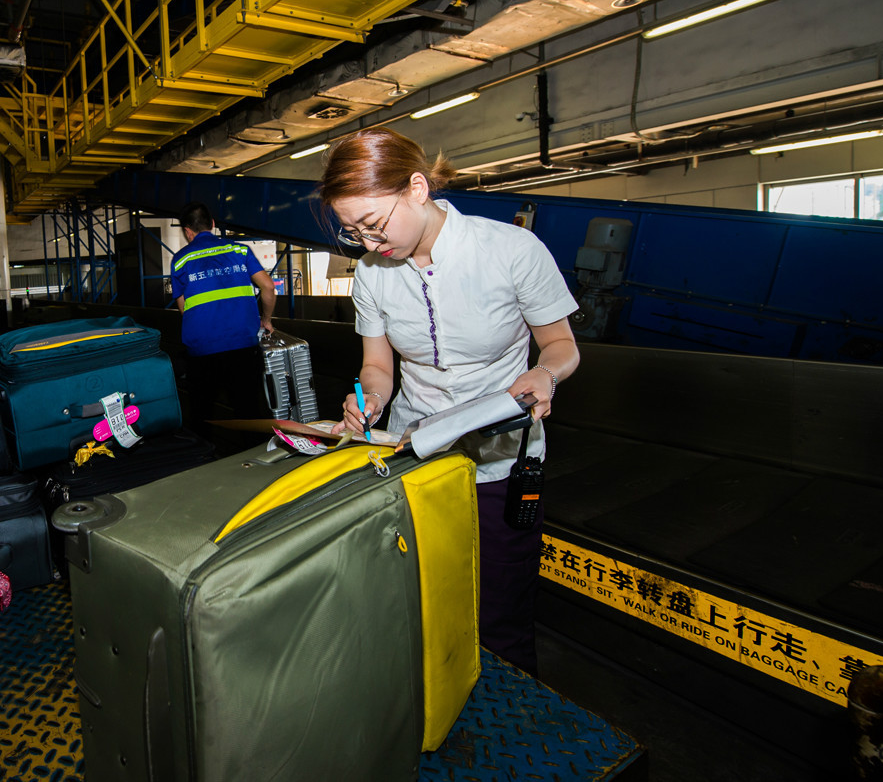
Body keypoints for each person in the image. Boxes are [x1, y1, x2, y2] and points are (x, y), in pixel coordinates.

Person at [321, 127, 579, 676]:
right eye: (353, 232)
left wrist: (544, 373)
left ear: (417, 188)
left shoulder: (510, 250)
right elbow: (378, 366)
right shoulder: (371, 274)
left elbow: (560, 345)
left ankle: (510, 711)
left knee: (502, 598)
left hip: (502, 455)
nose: (368, 244)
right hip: (418, 452)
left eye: (374, 225)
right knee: (425, 589)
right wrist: (366, 398)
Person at [170, 202, 277, 437]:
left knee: (202, 413)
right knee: (249, 411)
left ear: (188, 231)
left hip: (201, 351)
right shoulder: (239, 251)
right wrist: (266, 319)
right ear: (213, 225)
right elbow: (268, 287)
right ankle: (255, 462)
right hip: (243, 346)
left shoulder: (180, 260)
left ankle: (206, 458)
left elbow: (184, 309)